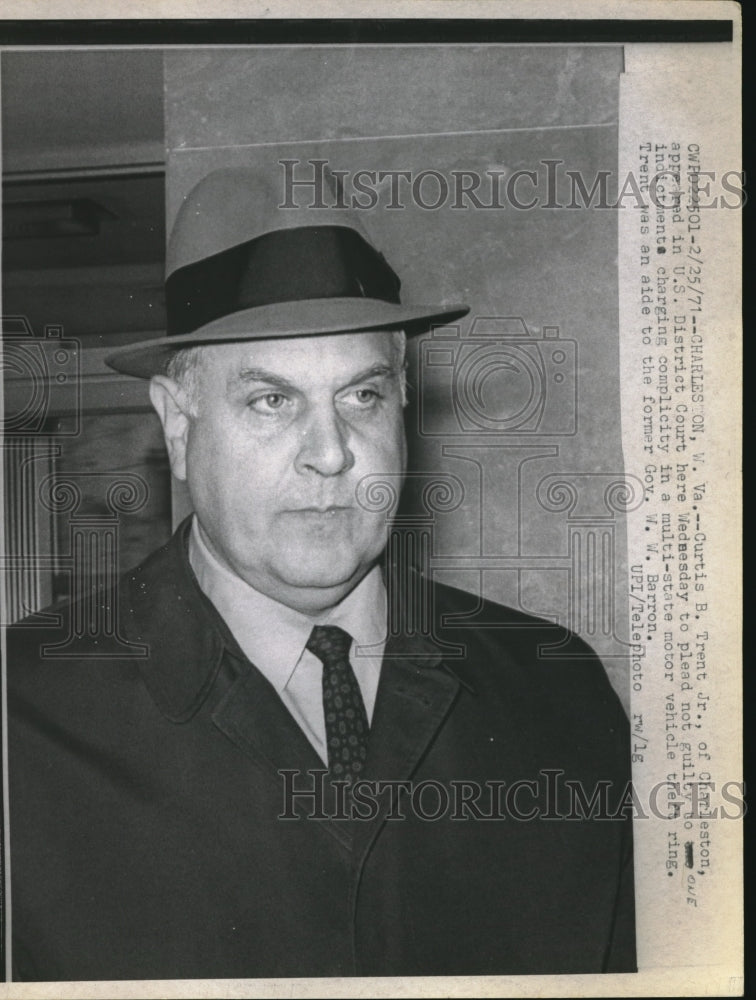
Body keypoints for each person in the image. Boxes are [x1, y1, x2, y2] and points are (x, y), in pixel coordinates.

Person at [7, 167, 636, 982]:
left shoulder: (555, 690)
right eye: (272, 402)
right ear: (176, 421)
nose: (333, 452)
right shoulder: (22, 714)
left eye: (363, 396)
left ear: (403, 404)